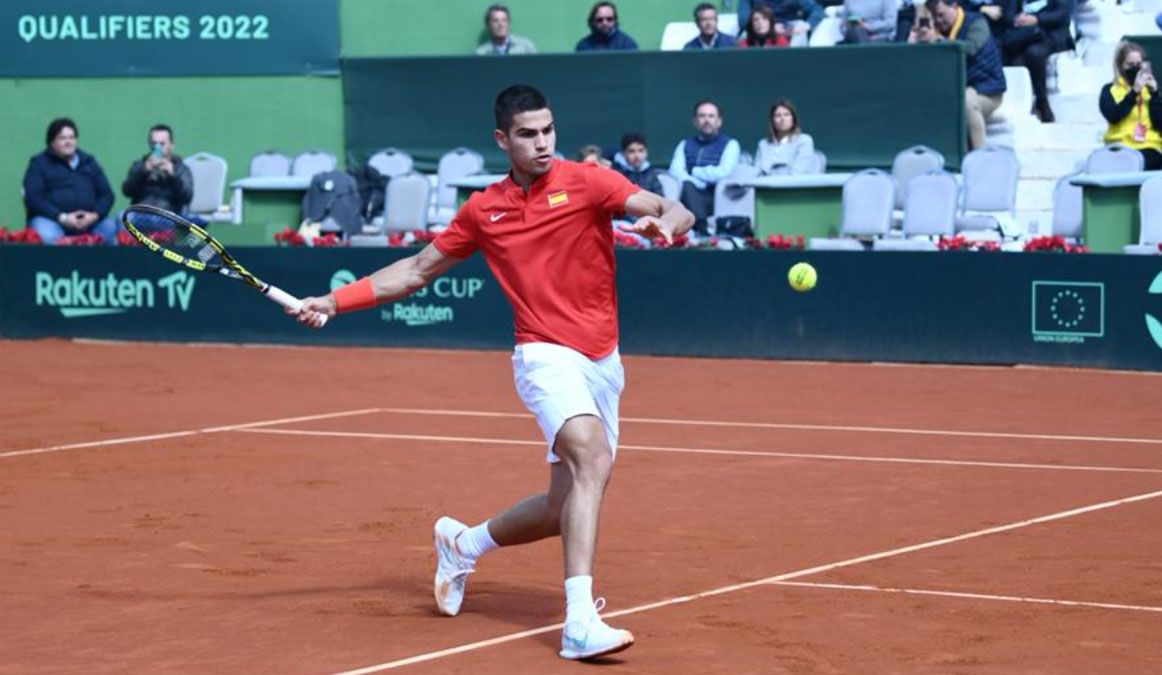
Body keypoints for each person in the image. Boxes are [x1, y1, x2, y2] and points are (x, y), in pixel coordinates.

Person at [291, 85, 693, 661]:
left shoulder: (588, 181)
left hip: (603, 359)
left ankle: (462, 543)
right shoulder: (484, 210)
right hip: (542, 354)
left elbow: (669, 206)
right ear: (502, 140)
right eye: (528, 134)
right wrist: (333, 301)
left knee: (567, 504)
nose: (543, 143)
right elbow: (415, 271)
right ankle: (579, 620)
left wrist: (668, 225)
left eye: (548, 130)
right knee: (592, 456)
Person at [910, 0, 1007, 150]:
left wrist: (936, 40)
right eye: (935, 16)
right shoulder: (937, 29)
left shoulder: (976, 22)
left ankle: (980, 155)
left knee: (967, 102)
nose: (938, 20)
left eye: (942, 15)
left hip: (987, 90)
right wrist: (915, 42)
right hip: (954, 89)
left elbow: (967, 49)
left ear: (954, 6)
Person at [22, 117, 117, 245]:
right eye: (62, 138)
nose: (68, 142)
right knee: (47, 236)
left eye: (72, 138)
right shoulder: (39, 164)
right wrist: (63, 218)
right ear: (51, 142)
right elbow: (33, 199)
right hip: (52, 220)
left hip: (89, 221)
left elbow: (107, 195)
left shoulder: (88, 162)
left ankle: (98, 266)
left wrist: (94, 216)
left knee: (110, 228)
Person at [669, 100, 741, 233]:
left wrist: (695, 172)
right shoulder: (685, 144)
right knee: (687, 185)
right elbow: (675, 170)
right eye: (702, 116)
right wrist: (693, 181)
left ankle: (700, 228)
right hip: (688, 193)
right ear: (695, 121)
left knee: (688, 184)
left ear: (719, 121)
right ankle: (700, 228)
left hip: (716, 196)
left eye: (711, 116)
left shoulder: (730, 144)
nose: (706, 120)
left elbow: (724, 172)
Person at [999, 0, 1074, 123]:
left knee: (1033, 53)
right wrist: (1018, 19)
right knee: (1002, 49)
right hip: (1023, 34)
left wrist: (1037, 19)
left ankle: (1041, 100)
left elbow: (1062, 13)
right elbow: (1007, 15)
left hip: (1050, 35)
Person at [1100, 41, 1162, 171]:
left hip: (1149, 145)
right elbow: (1113, 115)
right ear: (1120, 66)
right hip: (1119, 146)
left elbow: (1161, 122)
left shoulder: (1152, 90)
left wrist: (1155, 94)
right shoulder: (1109, 90)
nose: (1135, 68)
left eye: (1138, 65)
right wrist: (1134, 92)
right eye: (1130, 65)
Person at [121, 123, 195, 217]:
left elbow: (187, 197)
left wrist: (172, 176)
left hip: (168, 216)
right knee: (120, 217)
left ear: (171, 145)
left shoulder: (181, 168)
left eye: (162, 144)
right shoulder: (140, 165)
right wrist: (143, 172)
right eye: (154, 143)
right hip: (140, 214)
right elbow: (127, 191)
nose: (157, 148)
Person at [755, 99, 817, 175]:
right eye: (778, 115)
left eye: (787, 114)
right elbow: (756, 173)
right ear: (772, 120)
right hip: (763, 185)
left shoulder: (804, 141)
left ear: (793, 118)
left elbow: (797, 173)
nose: (782, 119)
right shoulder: (763, 144)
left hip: (791, 185)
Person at [737, 0, 824, 46]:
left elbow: (817, 9)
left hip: (788, 29)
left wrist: (806, 25)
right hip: (760, 27)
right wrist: (770, 26)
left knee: (800, 31)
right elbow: (743, 19)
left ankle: (797, 65)